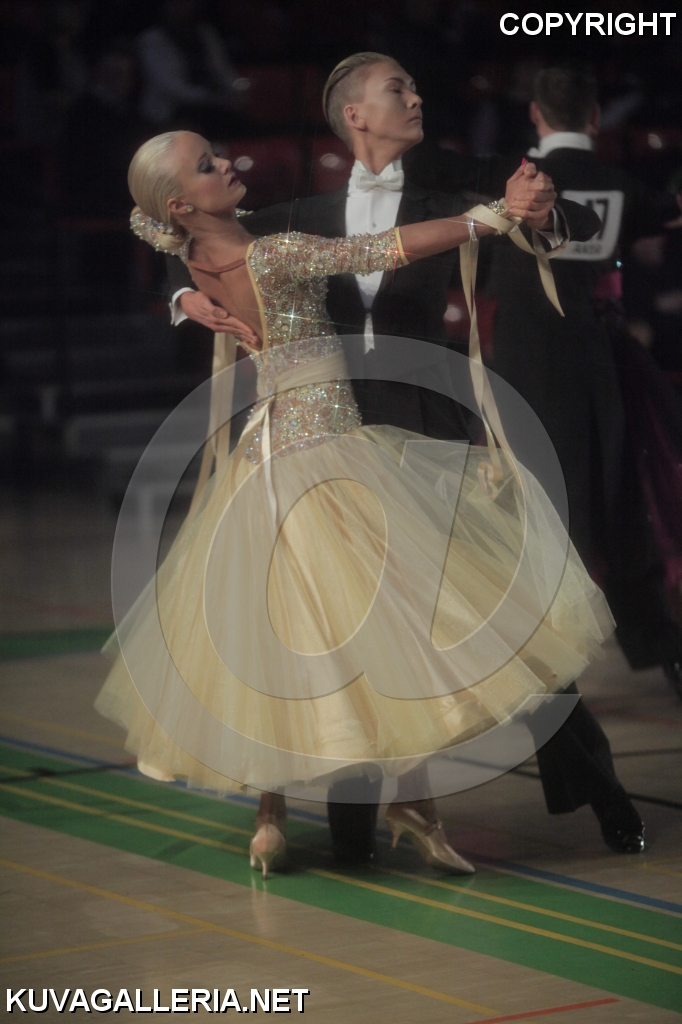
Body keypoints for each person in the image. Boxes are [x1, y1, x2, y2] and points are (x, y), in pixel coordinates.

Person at [95, 129, 614, 881]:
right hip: (330, 460)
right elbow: (382, 249)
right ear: (180, 204)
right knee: (394, 628)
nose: (230, 163)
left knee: (285, 633)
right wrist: (490, 218)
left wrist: (183, 295)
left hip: (267, 461)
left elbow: (152, 231)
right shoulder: (274, 253)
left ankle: (277, 816)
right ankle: (407, 804)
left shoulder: (196, 252)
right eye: (208, 165)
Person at [483, 65, 682, 848]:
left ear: (534, 115)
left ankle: (592, 768)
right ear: (596, 116)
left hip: (528, 390)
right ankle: (658, 649)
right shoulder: (621, 184)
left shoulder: (507, 185)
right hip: (608, 381)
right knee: (626, 536)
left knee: (541, 568)